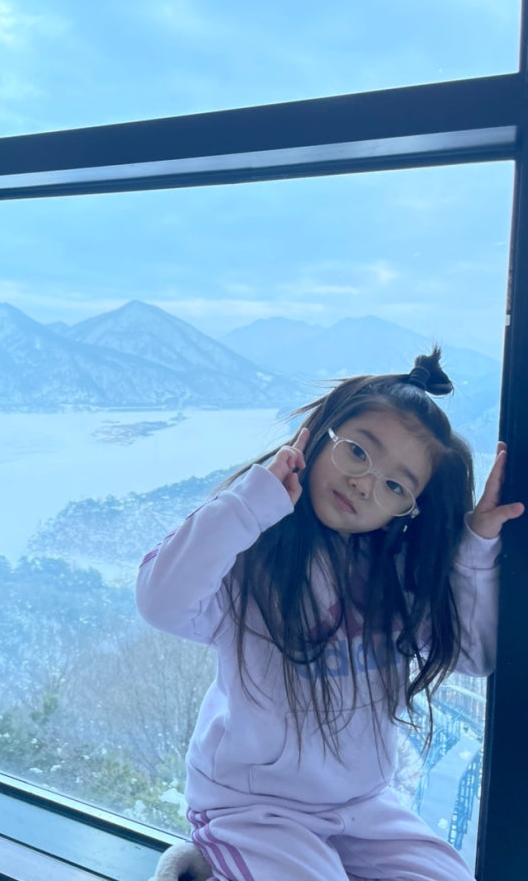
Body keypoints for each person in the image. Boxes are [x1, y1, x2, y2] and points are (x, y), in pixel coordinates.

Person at [137, 350, 524, 881]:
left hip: (363, 806)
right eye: (358, 451)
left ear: (409, 510)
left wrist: (475, 545)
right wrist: (252, 501)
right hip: (253, 808)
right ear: (321, 436)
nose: (365, 483)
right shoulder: (254, 558)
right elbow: (161, 602)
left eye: (395, 486)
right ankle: (211, 863)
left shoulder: (396, 578)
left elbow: (473, 657)